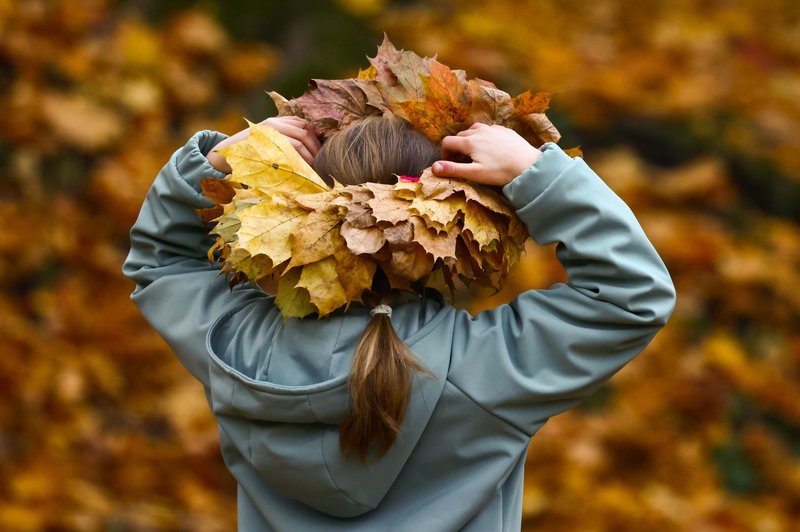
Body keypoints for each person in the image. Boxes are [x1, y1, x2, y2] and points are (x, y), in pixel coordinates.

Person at [123, 113, 675, 531]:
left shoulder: (238, 354)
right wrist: (537, 174)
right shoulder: (486, 369)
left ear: (296, 217)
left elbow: (161, 263)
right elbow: (631, 295)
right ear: (455, 232)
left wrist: (216, 163)